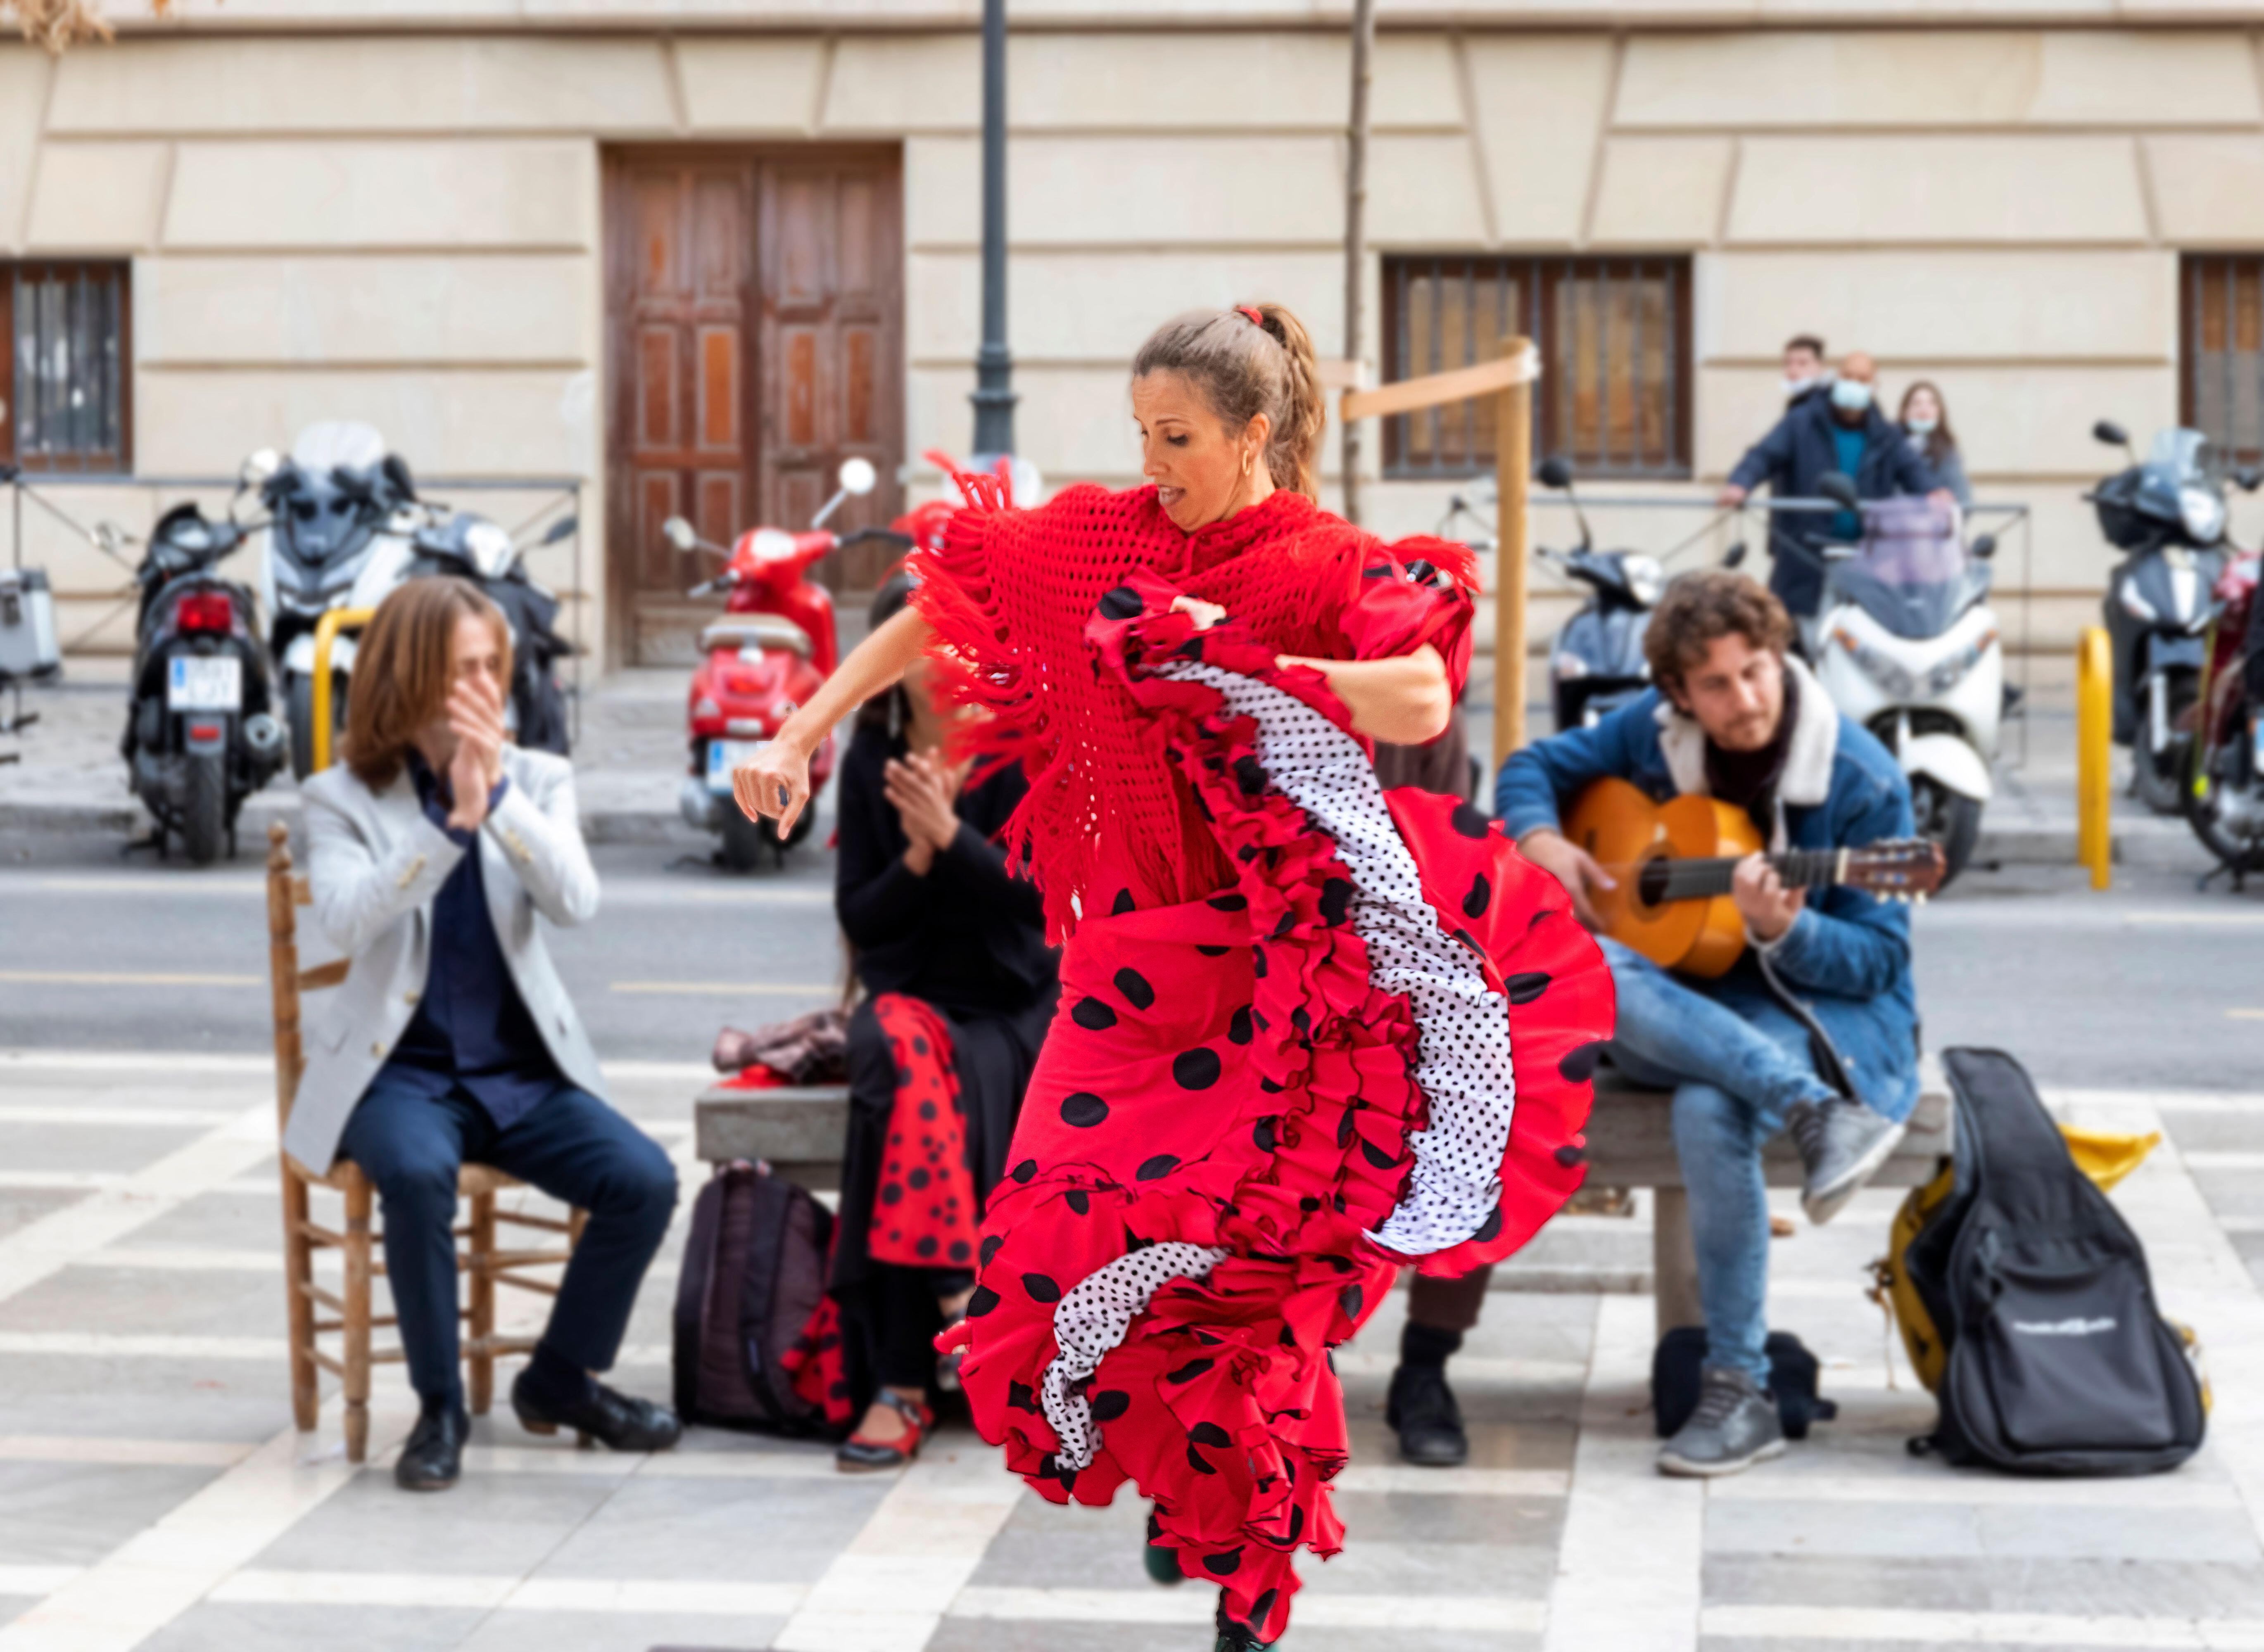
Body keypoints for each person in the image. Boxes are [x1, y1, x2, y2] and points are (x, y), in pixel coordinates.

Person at [733, 303, 1613, 1651]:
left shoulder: (1319, 560)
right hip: (1124, 975)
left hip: (1278, 981)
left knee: (1252, 1281)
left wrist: (1248, 663)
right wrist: (799, 726)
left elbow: (1421, 700)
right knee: (1053, 1246)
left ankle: (1245, 1580)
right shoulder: (1103, 535)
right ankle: (1184, 1479)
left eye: (1181, 436)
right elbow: (942, 600)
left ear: (1256, 433)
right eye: (1141, 431)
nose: (1155, 460)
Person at [1495, 570, 1918, 1479]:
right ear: (1677, 693)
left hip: (1825, 1015)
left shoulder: (1857, 777)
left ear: (1782, 659)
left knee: (1705, 1106)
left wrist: (1786, 927)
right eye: (1717, 684)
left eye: (1757, 672)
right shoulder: (1652, 736)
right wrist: (1538, 839)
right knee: (1587, 960)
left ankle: (1738, 1386)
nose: (1744, 700)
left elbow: (1880, 960)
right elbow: (1530, 768)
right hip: (1702, 1007)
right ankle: (1809, 1109)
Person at [282, 577, 681, 1493]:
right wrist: (445, 826)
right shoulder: (341, 795)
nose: (484, 684)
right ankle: (439, 1409)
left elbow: (577, 903)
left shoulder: (538, 778)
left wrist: (496, 801)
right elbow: (344, 918)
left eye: (492, 664)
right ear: (411, 674)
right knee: (417, 1175)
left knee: (644, 1181)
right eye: (463, 667)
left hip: (519, 1075)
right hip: (399, 1079)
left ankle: (560, 1378)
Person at [829, 572, 1058, 1472]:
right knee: (895, 1052)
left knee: (900, 1093)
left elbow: (1041, 910)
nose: (942, 658)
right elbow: (863, 919)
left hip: (1011, 1006)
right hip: (915, 1003)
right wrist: (917, 854)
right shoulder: (867, 759)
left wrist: (953, 838)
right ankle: (956, 1283)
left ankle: (899, 1381)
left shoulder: (1020, 750)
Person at [1716, 351, 1941, 620]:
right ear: (1835, 378)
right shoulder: (1801, 422)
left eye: (1862, 379)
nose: (1854, 384)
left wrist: (1934, 493)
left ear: (1874, 387)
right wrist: (1740, 483)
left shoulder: (1886, 435)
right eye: (1848, 376)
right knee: (1793, 634)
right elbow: (1764, 455)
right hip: (1804, 555)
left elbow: (1912, 471)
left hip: (1865, 558)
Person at [1899, 380, 1972, 507]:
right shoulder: (1891, 449)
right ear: (1905, 411)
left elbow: (1963, 500)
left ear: (1939, 412)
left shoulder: (1948, 452)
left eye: (1931, 403)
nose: (1924, 409)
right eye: (1917, 403)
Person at [1781, 334, 1829, 408]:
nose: (1793, 370)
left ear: (1819, 365)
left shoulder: (1826, 403)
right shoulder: (1799, 400)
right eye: (1788, 363)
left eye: (1802, 363)